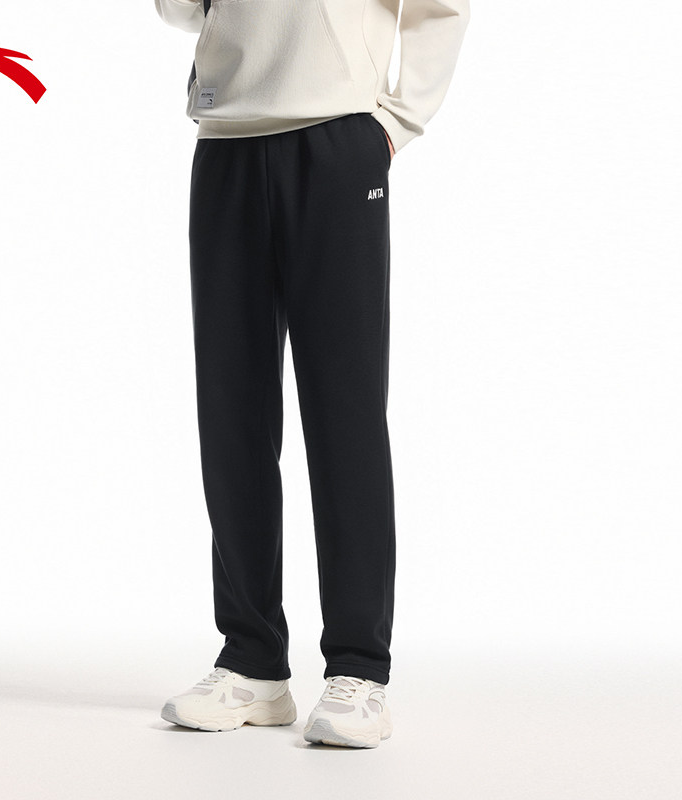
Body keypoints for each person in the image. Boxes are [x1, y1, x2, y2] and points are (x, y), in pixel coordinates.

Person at [154, 0, 470, 748]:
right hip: (226, 136)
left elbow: (443, 7)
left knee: (344, 411)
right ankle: (253, 662)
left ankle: (359, 668)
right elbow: (179, 10)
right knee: (231, 414)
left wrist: (398, 120)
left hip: (337, 138)